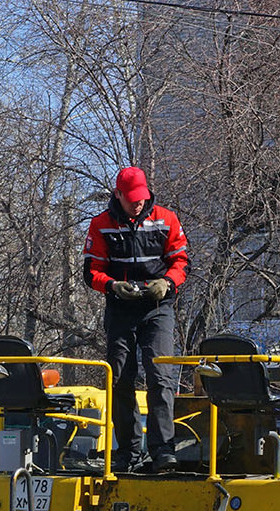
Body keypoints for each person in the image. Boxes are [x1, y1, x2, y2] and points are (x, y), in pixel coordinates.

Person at [84, 166, 189, 473]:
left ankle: (163, 451)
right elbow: (91, 272)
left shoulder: (166, 219)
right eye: (131, 199)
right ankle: (129, 451)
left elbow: (181, 261)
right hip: (121, 308)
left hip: (159, 307)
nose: (137, 203)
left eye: (141, 198)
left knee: (161, 376)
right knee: (118, 378)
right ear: (118, 194)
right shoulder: (101, 225)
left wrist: (167, 282)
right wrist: (113, 285)